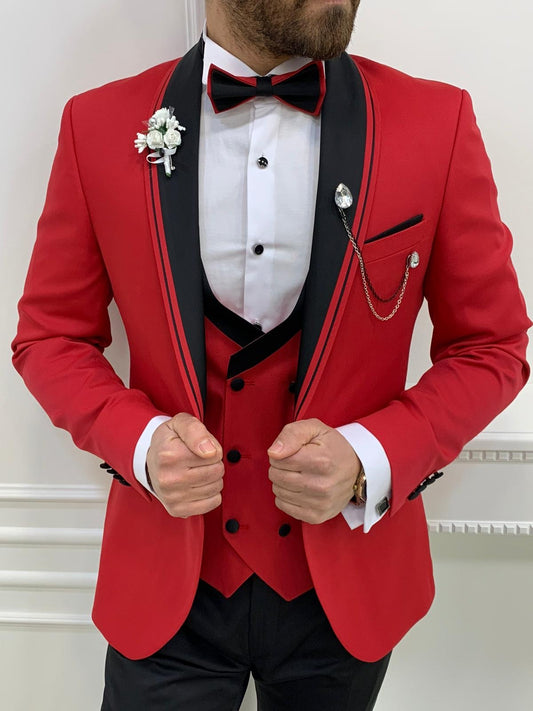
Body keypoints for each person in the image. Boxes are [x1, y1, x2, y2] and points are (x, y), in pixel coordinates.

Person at [12, 0, 531, 709]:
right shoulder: (97, 124)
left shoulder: (435, 123)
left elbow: (492, 344)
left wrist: (370, 456)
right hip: (167, 586)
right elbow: (51, 336)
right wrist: (139, 442)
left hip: (346, 589)